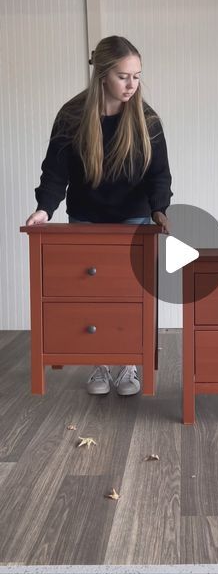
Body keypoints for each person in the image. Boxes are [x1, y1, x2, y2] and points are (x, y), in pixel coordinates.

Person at [26, 35, 173, 398]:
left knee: (129, 294)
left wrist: (159, 210)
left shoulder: (147, 118)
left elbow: (159, 174)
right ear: (103, 74)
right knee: (93, 297)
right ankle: (101, 364)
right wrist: (44, 208)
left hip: (135, 219)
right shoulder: (73, 115)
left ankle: (128, 365)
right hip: (87, 217)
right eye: (124, 76)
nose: (132, 85)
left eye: (137, 76)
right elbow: (55, 172)